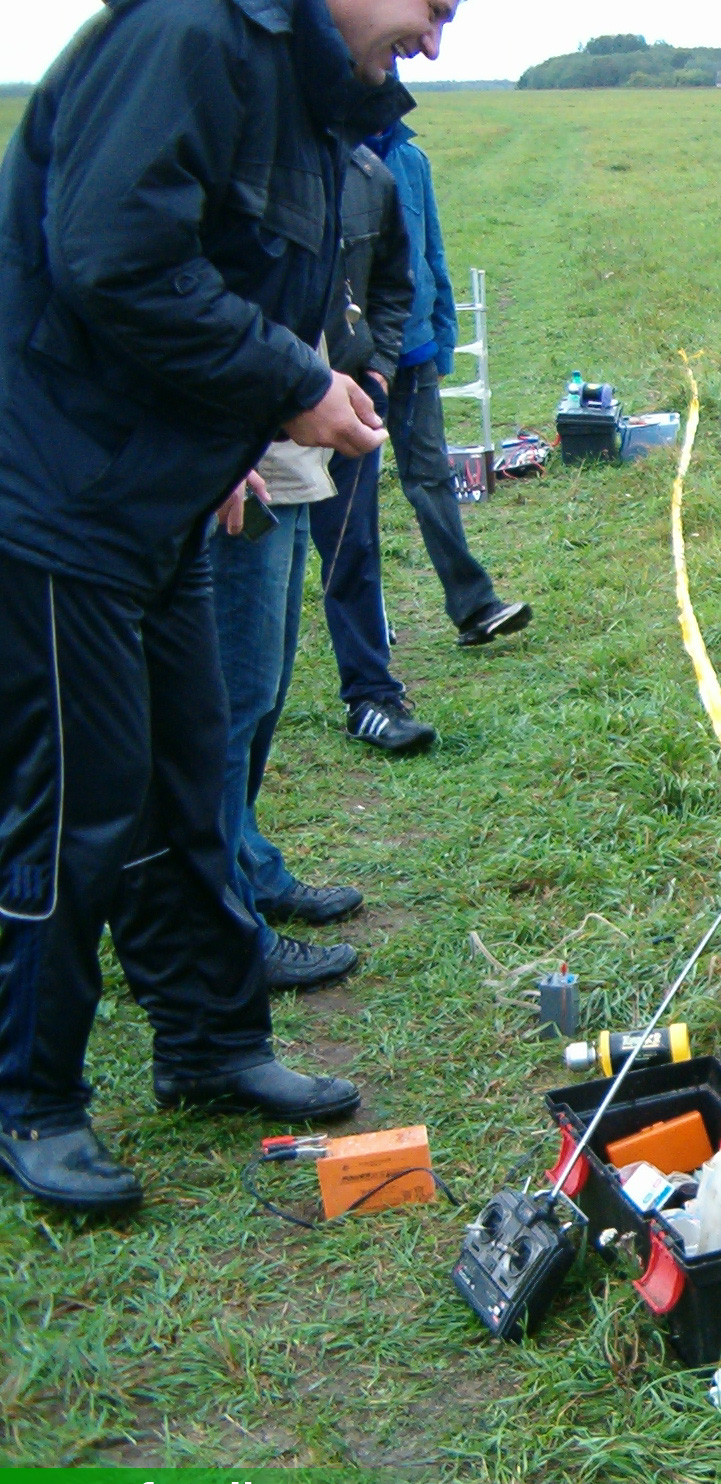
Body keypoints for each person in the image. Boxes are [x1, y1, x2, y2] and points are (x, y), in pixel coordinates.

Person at [0, 0, 460, 1216]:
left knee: (191, 773)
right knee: (79, 803)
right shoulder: (192, 32)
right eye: (434, 6)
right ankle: (32, 1098)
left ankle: (208, 1042)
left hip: (168, 488)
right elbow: (114, 259)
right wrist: (291, 383)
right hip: (58, 492)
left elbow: (224, 275)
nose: (434, 41)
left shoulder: (305, 88)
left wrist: (234, 429)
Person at [348, 117, 530, 745]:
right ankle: (369, 628)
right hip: (351, 362)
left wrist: (444, 332)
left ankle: (475, 608)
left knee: (431, 477)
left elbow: (432, 252)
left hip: (416, 348)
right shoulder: (332, 154)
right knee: (351, 503)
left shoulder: (412, 161)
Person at [211, 391, 365, 993]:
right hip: (238, 467)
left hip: (287, 468)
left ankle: (251, 867)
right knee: (232, 705)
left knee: (264, 693)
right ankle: (228, 927)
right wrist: (221, 454)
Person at [309, 139, 439, 757]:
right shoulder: (245, 157)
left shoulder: (370, 174)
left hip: (350, 400)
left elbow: (394, 281)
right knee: (250, 575)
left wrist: (379, 367)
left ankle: (372, 696)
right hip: (254, 407)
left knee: (352, 546)